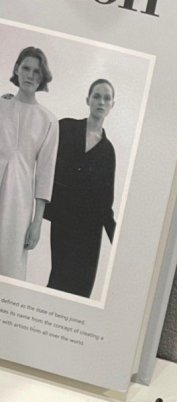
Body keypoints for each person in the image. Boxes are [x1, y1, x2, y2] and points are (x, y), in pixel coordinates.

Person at [45, 79, 117, 297]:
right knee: (57, 282)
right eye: (97, 96)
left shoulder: (108, 151)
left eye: (106, 98)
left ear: (112, 105)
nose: (101, 102)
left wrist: (117, 240)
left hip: (90, 231)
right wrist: (9, 104)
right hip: (63, 222)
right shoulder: (66, 128)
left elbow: (106, 202)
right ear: (88, 100)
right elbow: (37, 134)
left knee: (80, 290)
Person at [0, 47, 58, 281]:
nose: (30, 75)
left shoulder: (48, 120)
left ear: (43, 77)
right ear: (16, 69)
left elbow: (45, 174)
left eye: (37, 71)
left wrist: (37, 223)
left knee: (9, 267)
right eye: (26, 68)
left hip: (19, 202)